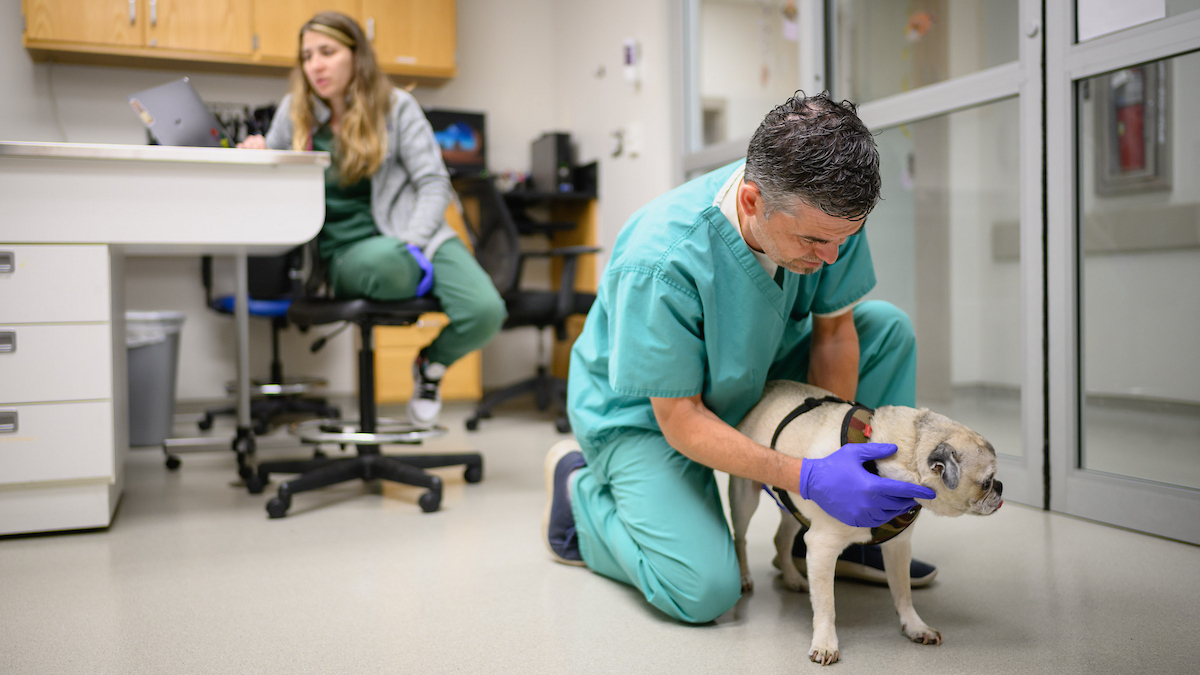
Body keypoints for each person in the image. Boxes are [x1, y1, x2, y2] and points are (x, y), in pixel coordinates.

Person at [543, 92, 938, 624]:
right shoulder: (660, 260)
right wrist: (808, 476)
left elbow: (836, 331)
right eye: (816, 241)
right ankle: (577, 493)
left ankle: (831, 534)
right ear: (752, 202)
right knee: (703, 589)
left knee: (885, 329)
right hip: (645, 415)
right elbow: (679, 419)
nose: (831, 258)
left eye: (844, 238)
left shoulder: (827, 213)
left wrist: (833, 450)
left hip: (755, 370)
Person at [239, 12, 505, 427]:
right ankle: (405, 267)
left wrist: (414, 242)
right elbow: (273, 184)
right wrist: (258, 154)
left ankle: (431, 367)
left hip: (417, 235)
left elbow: (435, 183)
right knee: (387, 264)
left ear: (357, 55)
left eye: (327, 52)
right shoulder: (296, 112)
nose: (316, 65)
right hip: (346, 250)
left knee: (487, 310)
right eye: (307, 56)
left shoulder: (397, 107)